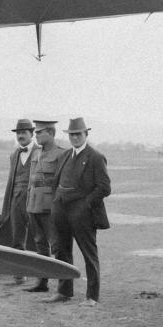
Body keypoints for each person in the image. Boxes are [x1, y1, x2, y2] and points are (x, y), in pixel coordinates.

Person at [46, 117, 110, 306]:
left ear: (86, 134)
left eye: (78, 134)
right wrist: (56, 203)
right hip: (61, 212)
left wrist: (85, 205)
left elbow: (104, 187)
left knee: (89, 254)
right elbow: (56, 183)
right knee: (62, 252)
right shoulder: (64, 156)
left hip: (83, 215)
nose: (74, 138)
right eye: (71, 134)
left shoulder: (96, 157)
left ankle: (92, 296)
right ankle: (64, 292)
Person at [24, 120, 65, 293]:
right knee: (39, 244)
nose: (36, 136)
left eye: (39, 132)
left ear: (50, 132)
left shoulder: (62, 154)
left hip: (50, 206)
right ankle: (42, 283)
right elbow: (31, 180)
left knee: (57, 245)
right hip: (34, 203)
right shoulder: (36, 153)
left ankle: (64, 287)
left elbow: (62, 182)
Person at [0, 119, 36, 285]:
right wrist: (7, 205)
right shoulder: (14, 154)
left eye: (24, 133)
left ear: (32, 134)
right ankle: (19, 274)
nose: (20, 136)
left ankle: (43, 275)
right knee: (17, 238)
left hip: (35, 200)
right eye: (18, 133)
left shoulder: (40, 151)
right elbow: (11, 181)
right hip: (16, 201)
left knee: (40, 237)